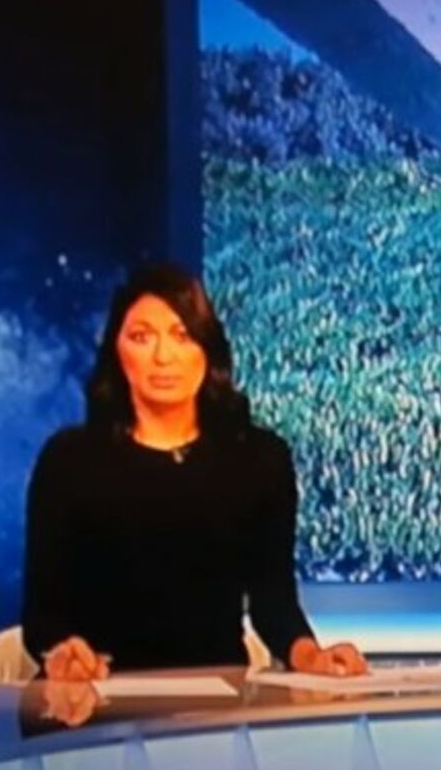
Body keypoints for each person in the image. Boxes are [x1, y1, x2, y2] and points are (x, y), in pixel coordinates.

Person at [22, 263, 367, 680]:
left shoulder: (260, 460)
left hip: (217, 700)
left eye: (182, 335)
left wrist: (311, 656)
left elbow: (273, 603)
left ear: (208, 347)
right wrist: (62, 652)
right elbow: (42, 615)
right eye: (141, 337)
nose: (163, 357)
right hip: (96, 695)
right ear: (116, 351)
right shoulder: (69, 461)